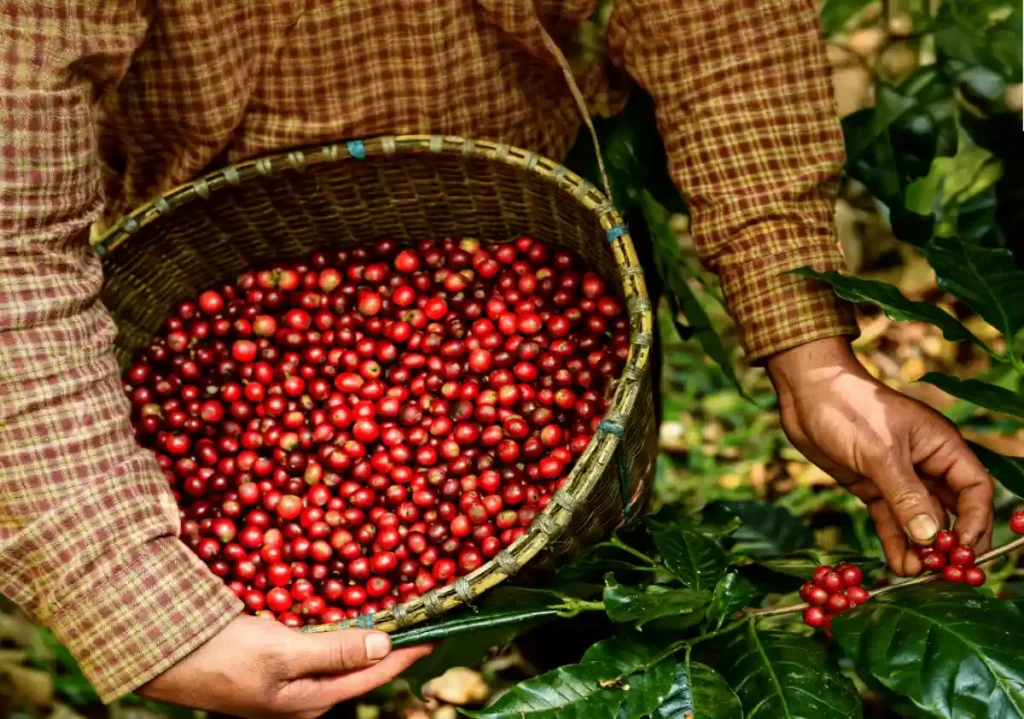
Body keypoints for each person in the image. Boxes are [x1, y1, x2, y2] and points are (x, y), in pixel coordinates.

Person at [0, 0, 994, 716]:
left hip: (531, 194)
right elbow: (11, 234)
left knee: (595, 571)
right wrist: (134, 595)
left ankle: (564, 652)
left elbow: (718, 25)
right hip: (208, 217)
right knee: (262, 650)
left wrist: (810, 353)